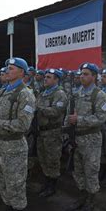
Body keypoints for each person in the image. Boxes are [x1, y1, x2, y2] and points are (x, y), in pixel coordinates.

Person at [0, 57, 36, 211]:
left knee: (16, 185)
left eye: (12, 68)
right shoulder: (4, 91)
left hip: (14, 147)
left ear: (22, 72)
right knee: (3, 184)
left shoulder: (25, 94)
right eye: (7, 68)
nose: (7, 71)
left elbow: (24, 125)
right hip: (0, 145)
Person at [64, 62, 106, 211]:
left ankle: (91, 200)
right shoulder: (76, 93)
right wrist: (66, 132)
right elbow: (68, 115)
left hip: (91, 139)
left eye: (86, 74)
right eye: (81, 74)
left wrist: (79, 120)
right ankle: (82, 196)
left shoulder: (99, 95)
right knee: (78, 170)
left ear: (94, 76)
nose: (82, 77)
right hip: (76, 138)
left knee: (90, 170)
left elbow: (101, 118)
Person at [36, 68, 68, 197]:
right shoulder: (43, 93)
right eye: (45, 76)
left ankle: (52, 186)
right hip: (41, 131)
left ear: (56, 80)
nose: (45, 79)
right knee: (43, 158)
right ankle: (46, 182)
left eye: (49, 77)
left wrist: (39, 109)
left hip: (53, 132)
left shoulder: (60, 94)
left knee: (53, 160)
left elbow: (56, 111)